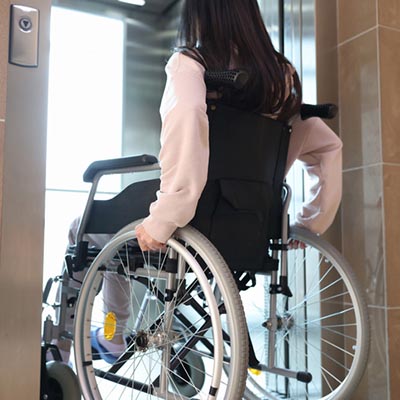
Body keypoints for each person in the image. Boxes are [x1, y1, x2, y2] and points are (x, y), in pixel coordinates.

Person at [58, 0, 342, 363]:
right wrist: (310, 223)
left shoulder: (192, 62)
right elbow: (327, 146)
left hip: (195, 219)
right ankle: (112, 334)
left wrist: (164, 218)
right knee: (114, 233)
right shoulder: (280, 79)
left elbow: (189, 117)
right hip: (251, 224)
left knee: (84, 232)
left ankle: (105, 336)